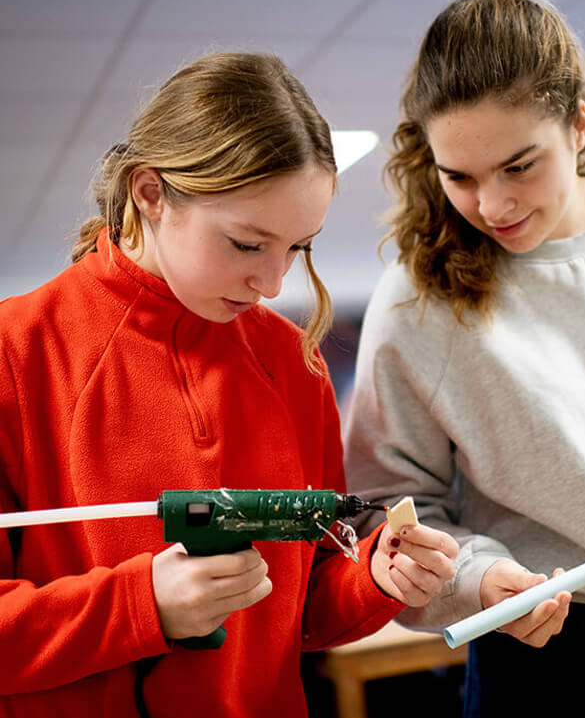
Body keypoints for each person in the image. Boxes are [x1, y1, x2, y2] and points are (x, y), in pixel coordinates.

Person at [0, 52, 459, 718]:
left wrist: (375, 577)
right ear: (150, 193)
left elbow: (300, 612)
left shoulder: (292, 362)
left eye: (298, 248)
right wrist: (142, 605)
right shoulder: (18, 351)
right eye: (247, 244)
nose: (273, 284)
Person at [343, 0, 585, 716]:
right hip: (541, 647)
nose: (492, 206)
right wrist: (477, 576)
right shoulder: (415, 297)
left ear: (578, 125)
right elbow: (385, 511)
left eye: (520, 166)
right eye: (458, 176)